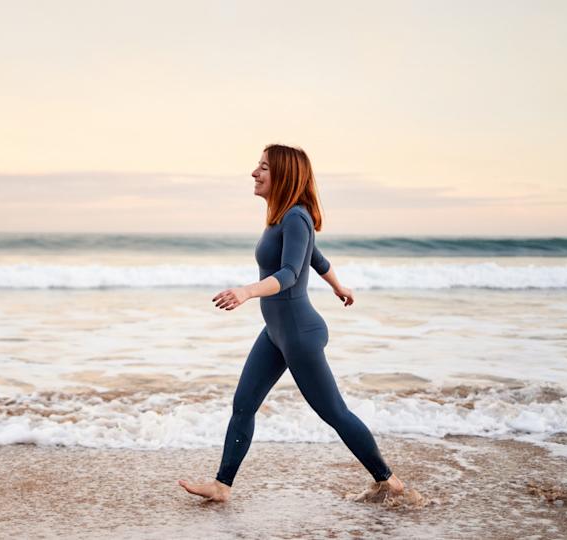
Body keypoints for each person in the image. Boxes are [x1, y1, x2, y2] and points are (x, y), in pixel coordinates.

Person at [178, 144, 424, 506]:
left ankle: (390, 482)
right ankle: (222, 485)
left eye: (263, 167)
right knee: (243, 404)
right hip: (277, 333)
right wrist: (339, 286)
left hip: (299, 335)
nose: (254, 173)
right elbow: (316, 258)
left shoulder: (296, 217)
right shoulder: (282, 219)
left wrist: (247, 291)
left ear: (284, 174)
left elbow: (291, 274)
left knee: (334, 413)